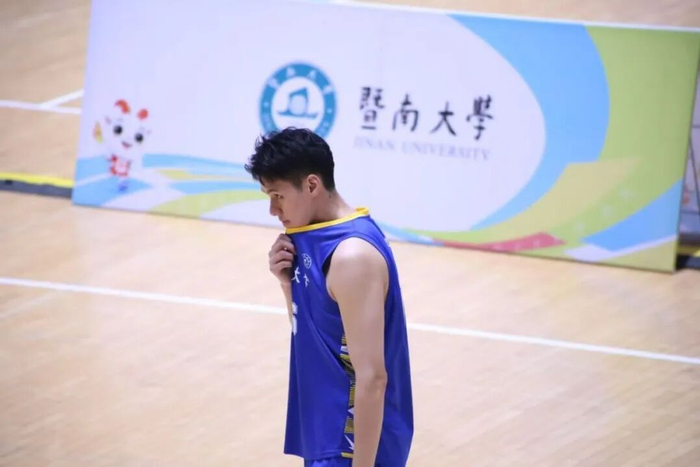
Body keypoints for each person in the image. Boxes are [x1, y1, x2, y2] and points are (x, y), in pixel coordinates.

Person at [244, 128, 413, 467]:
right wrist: (287, 284)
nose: (273, 210)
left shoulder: (352, 255)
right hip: (327, 432)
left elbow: (373, 377)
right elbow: (319, 334)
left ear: (311, 185)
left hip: (350, 445)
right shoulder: (318, 236)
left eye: (277, 195)